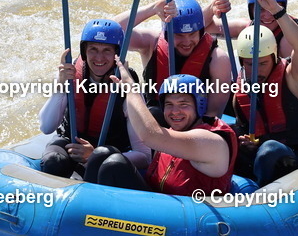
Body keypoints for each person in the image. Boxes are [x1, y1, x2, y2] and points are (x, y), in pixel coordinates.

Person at [231, 0, 298, 185]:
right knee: (225, 141)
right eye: (249, 64)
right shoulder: (240, 87)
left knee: (270, 150)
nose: (255, 70)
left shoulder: (295, 77)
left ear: (274, 57)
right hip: (262, 159)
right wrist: (246, 143)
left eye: (263, 63)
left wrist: (276, 11)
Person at [38, 19, 150, 181]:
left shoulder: (127, 84)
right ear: (84, 52)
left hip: (111, 150)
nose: (99, 58)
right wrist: (60, 85)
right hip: (71, 143)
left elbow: (144, 155)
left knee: (103, 161)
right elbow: (46, 127)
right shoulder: (68, 74)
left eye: (106, 50)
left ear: (117, 54)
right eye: (93, 49)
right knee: (54, 161)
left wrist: (94, 155)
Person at [94, 71, 238, 197]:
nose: (175, 111)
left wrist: (132, 90)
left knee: (114, 164)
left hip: (188, 218)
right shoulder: (173, 132)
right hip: (159, 204)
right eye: (169, 104)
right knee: (102, 156)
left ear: (199, 105)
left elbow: (150, 136)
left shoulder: (211, 141)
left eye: (183, 104)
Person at [115, 0, 233, 118]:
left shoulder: (218, 59)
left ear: (201, 32)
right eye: (179, 35)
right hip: (155, 121)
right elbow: (112, 31)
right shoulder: (151, 43)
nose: (186, 42)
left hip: (195, 125)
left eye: (192, 34)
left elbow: (213, 114)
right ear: (166, 33)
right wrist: (152, 9)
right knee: (155, 114)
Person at [202, 0, 298, 62]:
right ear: (251, 11)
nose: (267, 15)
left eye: (272, 8)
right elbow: (202, 27)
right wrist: (212, 7)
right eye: (260, 9)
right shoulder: (247, 26)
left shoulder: (288, 38)